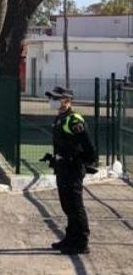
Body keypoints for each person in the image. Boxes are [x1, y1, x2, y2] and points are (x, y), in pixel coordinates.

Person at [43, 86, 98, 254]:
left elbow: (89, 147)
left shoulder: (74, 120)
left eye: (56, 98)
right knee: (67, 205)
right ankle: (70, 238)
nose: (52, 101)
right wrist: (55, 159)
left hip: (72, 169)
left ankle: (81, 242)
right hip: (63, 167)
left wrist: (80, 162)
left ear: (67, 100)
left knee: (75, 205)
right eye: (52, 98)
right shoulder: (61, 118)